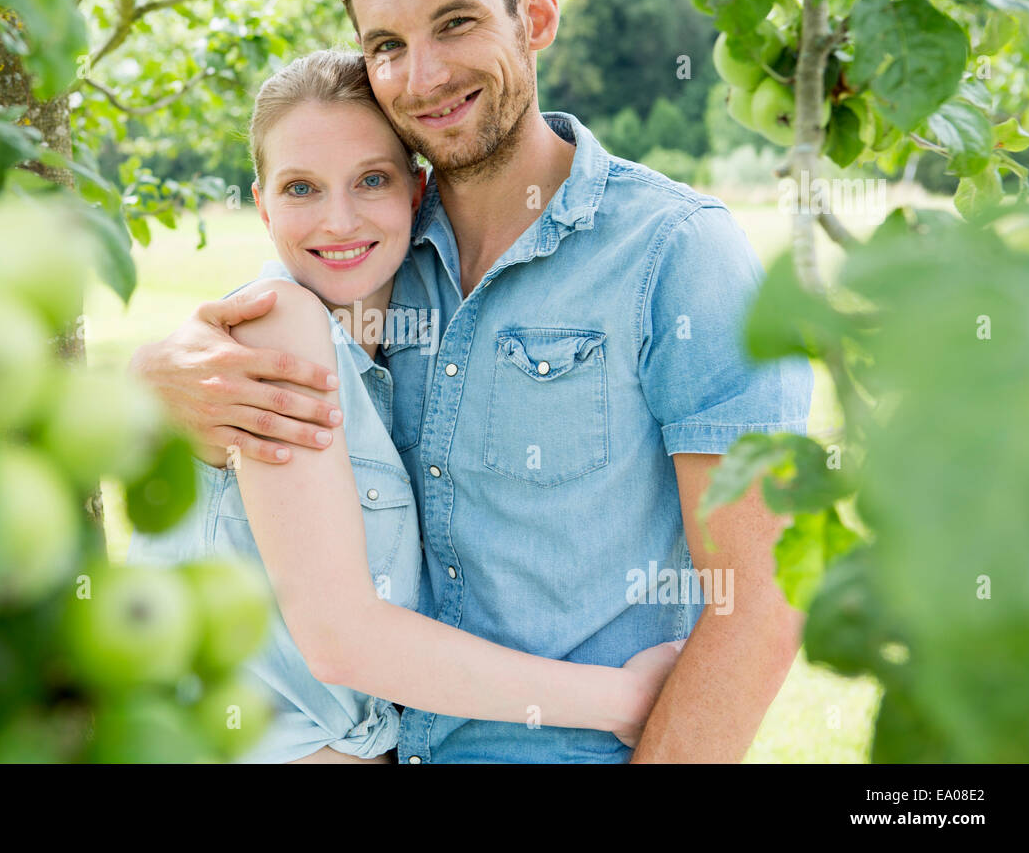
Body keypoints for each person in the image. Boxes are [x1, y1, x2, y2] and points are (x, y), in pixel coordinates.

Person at [132, 0, 814, 763]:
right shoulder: (370, 258)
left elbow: (762, 597)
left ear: (534, 16)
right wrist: (147, 378)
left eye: (455, 24)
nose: (422, 77)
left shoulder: (675, 254)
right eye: (387, 46)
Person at [128, 49, 684, 764]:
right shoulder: (277, 329)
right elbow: (342, 641)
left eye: (370, 180)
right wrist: (623, 700)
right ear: (262, 205)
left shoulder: (401, 352)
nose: (338, 220)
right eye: (301, 188)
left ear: (416, 193)